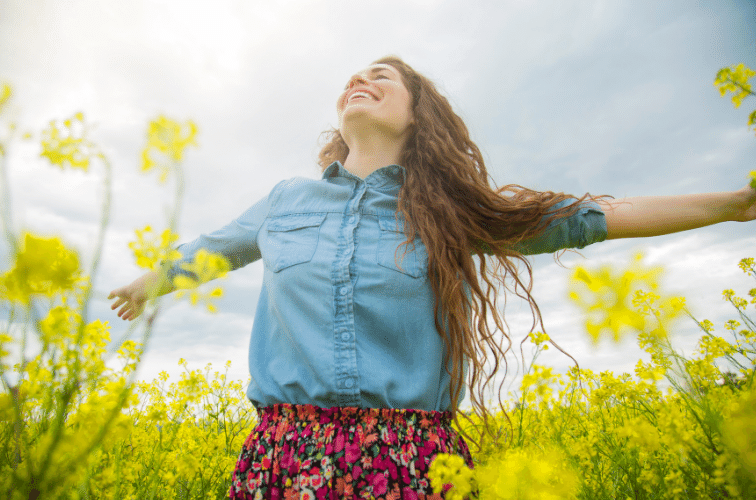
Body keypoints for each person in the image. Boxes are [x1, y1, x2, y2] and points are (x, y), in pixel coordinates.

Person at [108, 56, 756, 499]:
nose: (360, 78)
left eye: (383, 75)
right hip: (286, 453)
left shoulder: (447, 211)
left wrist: (732, 204)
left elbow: (591, 217)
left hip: (415, 459)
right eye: (354, 76)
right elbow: (212, 249)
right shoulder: (286, 201)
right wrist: (148, 282)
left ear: (418, 114)